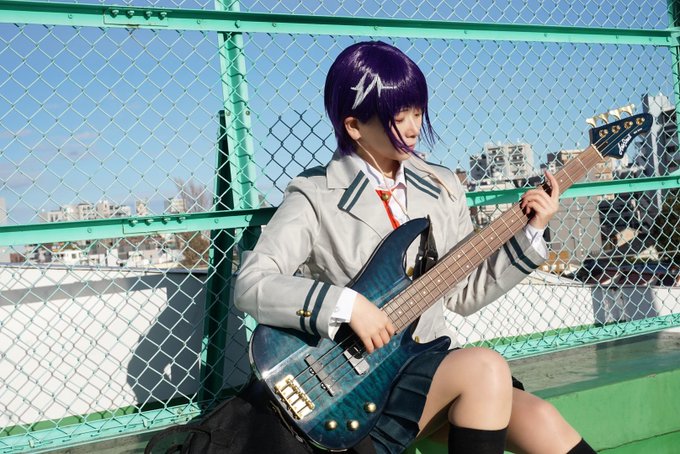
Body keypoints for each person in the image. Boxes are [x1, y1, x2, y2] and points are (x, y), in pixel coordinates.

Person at [234, 41, 596, 454]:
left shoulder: (442, 187)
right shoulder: (315, 194)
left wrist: (532, 232)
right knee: (486, 367)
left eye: (418, 113)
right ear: (354, 126)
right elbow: (252, 283)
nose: (412, 128)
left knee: (541, 418)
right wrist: (348, 307)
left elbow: (462, 294)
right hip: (354, 381)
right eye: (398, 116)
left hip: (430, 366)